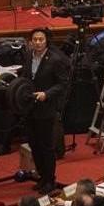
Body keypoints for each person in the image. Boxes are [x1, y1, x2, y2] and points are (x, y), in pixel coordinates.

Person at [19, 28, 70, 193]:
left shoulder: (56, 60)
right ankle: (42, 177)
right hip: (30, 108)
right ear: (31, 41)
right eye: (35, 39)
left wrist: (46, 94)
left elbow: (63, 84)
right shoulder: (28, 56)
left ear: (46, 40)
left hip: (46, 109)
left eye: (41, 39)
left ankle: (50, 180)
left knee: (46, 146)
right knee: (34, 144)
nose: (38, 42)